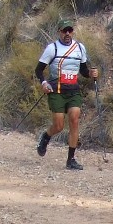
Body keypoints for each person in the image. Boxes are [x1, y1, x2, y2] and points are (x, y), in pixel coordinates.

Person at [35, 17, 99, 171]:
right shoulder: (52, 49)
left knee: (74, 120)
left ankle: (71, 160)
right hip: (56, 91)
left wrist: (91, 73)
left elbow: (83, 70)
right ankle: (46, 137)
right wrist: (44, 83)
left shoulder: (80, 48)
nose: (68, 33)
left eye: (70, 30)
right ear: (60, 32)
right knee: (58, 126)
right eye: (65, 31)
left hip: (73, 91)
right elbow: (39, 70)